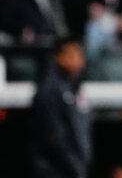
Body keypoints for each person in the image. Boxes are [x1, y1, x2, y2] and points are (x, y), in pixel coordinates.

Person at [29, 38, 91, 178]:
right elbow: (53, 137)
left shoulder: (74, 86)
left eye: (79, 55)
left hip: (73, 167)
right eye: (71, 55)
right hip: (53, 169)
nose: (77, 60)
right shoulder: (49, 89)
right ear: (58, 57)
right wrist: (75, 166)